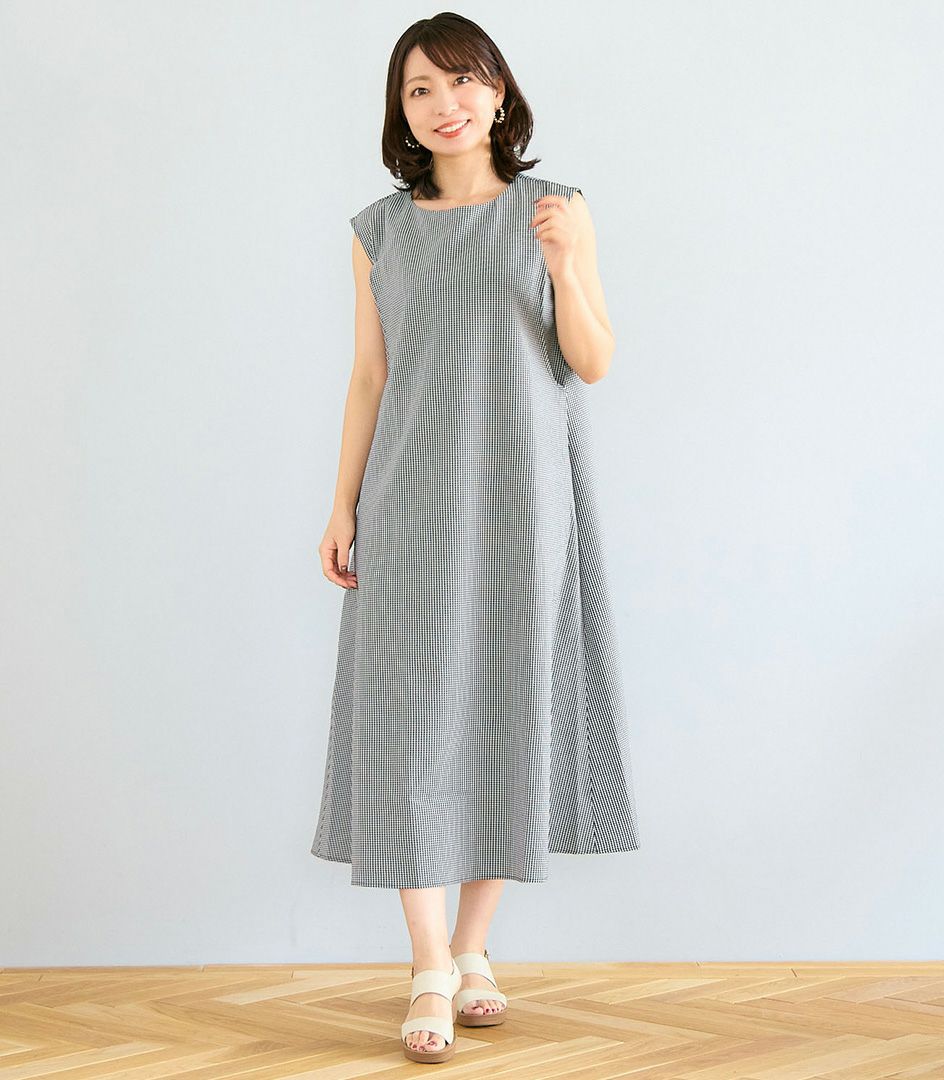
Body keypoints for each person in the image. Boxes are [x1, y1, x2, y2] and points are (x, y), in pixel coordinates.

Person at [311, 12, 640, 1064]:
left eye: (461, 81)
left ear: (498, 92)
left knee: (507, 707)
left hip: (522, 498)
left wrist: (567, 267)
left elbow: (591, 359)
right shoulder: (378, 230)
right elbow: (370, 376)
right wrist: (341, 504)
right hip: (408, 499)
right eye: (419, 89)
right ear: (400, 112)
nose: (443, 104)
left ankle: (471, 949)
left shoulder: (557, 209)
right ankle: (426, 966)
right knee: (407, 721)